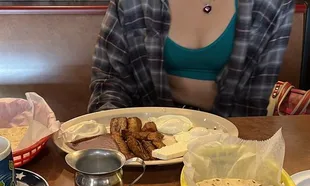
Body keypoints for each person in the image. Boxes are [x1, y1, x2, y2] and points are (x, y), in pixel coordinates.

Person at [89, 0, 295, 117]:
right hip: (150, 143)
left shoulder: (273, 4)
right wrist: (112, 130)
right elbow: (110, 81)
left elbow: (254, 102)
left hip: (231, 141)